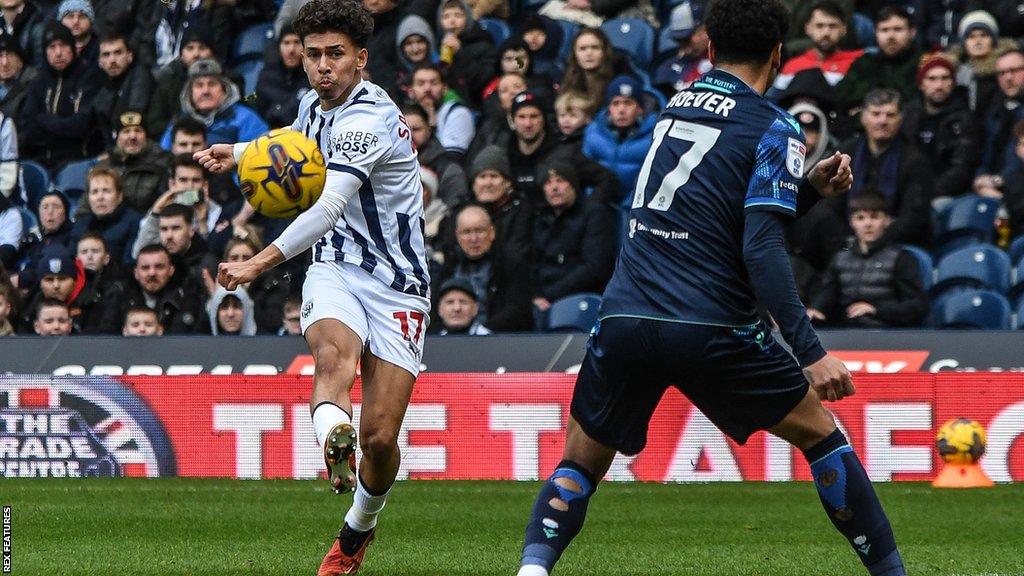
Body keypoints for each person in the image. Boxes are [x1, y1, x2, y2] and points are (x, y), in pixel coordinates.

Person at [514, 1, 906, 576]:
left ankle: (532, 570)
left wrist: (804, 191)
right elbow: (761, 247)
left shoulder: (676, 104)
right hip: (711, 324)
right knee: (824, 437)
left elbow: (710, 205)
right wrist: (811, 351)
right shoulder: (776, 126)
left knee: (581, 459)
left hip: (625, 314)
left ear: (712, 50)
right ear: (779, 54)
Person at [193, 2, 432, 573]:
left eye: (336, 55)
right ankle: (335, 434)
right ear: (302, 59)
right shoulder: (311, 103)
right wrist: (244, 152)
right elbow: (298, 145)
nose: (323, 66)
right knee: (332, 357)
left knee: (381, 439)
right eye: (313, 55)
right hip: (336, 266)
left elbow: (327, 204)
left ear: (361, 59)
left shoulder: (371, 117)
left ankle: (357, 528)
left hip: (398, 283)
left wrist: (259, 262)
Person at [807, 192, 928, 328]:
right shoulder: (840, 259)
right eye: (860, 218)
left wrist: (875, 310)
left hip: (888, 334)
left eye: (874, 217)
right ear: (852, 222)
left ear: (887, 221)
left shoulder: (901, 258)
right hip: (845, 333)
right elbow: (826, 296)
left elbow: (918, 306)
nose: (867, 224)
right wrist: (816, 309)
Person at [838, 88, 933, 245]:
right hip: (847, 240)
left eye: (890, 115)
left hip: (897, 242)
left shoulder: (915, 159)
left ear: (900, 119)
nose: (882, 121)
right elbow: (831, 203)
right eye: (876, 114)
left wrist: (877, 241)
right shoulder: (847, 153)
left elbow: (914, 215)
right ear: (863, 118)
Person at [531, 159, 617, 315]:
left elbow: (595, 268)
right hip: (542, 300)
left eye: (560, 180)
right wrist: (535, 295)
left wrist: (548, 296)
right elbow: (532, 264)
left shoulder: (594, 214)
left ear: (574, 185)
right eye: (548, 183)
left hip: (580, 298)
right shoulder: (541, 220)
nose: (554, 188)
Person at [18, 21, 102, 171]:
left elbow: (80, 126)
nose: (58, 53)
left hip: (77, 162)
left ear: (73, 48)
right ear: (45, 52)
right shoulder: (38, 82)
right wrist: (62, 129)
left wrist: (43, 120)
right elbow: (28, 130)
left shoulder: (89, 78)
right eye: (52, 47)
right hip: (40, 162)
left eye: (63, 45)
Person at [437, 204, 532, 331]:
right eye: (466, 232)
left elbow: (518, 310)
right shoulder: (448, 266)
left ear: (492, 232)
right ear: (457, 235)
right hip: (451, 338)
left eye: (479, 231)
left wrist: (483, 330)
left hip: (497, 339)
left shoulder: (511, 263)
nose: (473, 238)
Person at [900, 53, 978, 203]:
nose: (938, 85)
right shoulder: (908, 115)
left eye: (945, 78)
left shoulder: (964, 119)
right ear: (921, 84)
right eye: (932, 79)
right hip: (909, 189)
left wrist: (926, 193)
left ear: (953, 83)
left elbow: (961, 169)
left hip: (946, 194)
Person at [582, 75, 658, 207]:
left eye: (628, 103)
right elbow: (585, 174)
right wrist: (594, 201)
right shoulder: (594, 132)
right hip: (598, 205)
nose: (621, 110)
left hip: (638, 206)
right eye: (616, 103)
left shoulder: (654, 135)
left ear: (640, 108)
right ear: (609, 108)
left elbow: (655, 178)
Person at [159, 58, 268, 149]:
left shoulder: (246, 119)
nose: (206, 91)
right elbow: (165, 158)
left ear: (225, 89)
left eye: (212, 84)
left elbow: (257, 158)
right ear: (189, 93)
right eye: (199, 85)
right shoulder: (178, 123)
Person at [834, 7, 920, 119]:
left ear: (912, 32)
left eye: (898, 29)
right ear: (876, 33)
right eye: (884, 30)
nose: (891, 36)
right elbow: (840, 98)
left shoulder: (923, 64)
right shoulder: (864, 62)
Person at [90, 111, 175, 215]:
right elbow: (85, 208)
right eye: (126, 131)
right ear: (117, 137)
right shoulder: (103, 166)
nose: (133, 136)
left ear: (146, 136)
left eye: (138, 131)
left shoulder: (164, 162)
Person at [772, 0, 862, 90]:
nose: (826, 32)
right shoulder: (792, 66)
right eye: (820, 26)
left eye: (832, 26)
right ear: (808, 29)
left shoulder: (859, 63)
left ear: (844, 29)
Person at [119, 244, 204, 333]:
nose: (152, 273)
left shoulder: (186, 299)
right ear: (136, 273)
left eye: (159, 267)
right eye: (145, 268)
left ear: (171, 270)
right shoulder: (120, 297)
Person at [91, 33, 153, 148]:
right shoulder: (99, 84)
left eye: (118, 52)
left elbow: (134, 116)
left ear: (129, 56)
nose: (112, 60)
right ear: (100, 61)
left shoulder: (140, 76)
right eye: (106, 55)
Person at [70, 166, 142, 264]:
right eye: (95, 192)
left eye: (106, 191)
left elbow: (130, 264)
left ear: (119, 196)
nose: (100, 197)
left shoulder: (135, 223)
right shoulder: (80, 225)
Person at [407, 62, 475, 162]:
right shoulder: (401, 115)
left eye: (433, 83)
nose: (427, 89)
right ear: (410, 91)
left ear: (444, 89)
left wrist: (432, 128)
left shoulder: (457, 113)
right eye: (421, 83)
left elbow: (451, 158)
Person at [256, 24, 310, 128]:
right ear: (279, 46)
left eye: (297, 42)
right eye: (286, 43)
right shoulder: (267, 76)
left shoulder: (313, 74)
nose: (291, 49)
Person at [654, 1, 712, 98]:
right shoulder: (667, 68)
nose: (684, 47)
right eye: (678, 40)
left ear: (705, 30)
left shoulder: (724, 65)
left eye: (687, 39)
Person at [0, 32, 37, 121]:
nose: (5, 62)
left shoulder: (33, 84)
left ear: (20, 60)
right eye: (0, 56)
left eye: (10, 55)